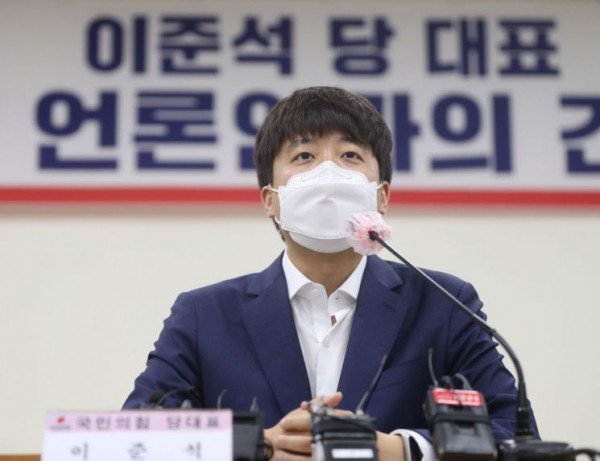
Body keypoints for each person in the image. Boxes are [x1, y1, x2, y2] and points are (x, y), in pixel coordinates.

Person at [123, 86, 535, 461]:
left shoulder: (443, 305)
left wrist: (398, 451)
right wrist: (260, 445)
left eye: (350, 155)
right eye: (304, 156)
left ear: (382, 196)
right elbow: (134, 440)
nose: (328, 172)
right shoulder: (203, 315)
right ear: (270, 201)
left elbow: (516, 437)